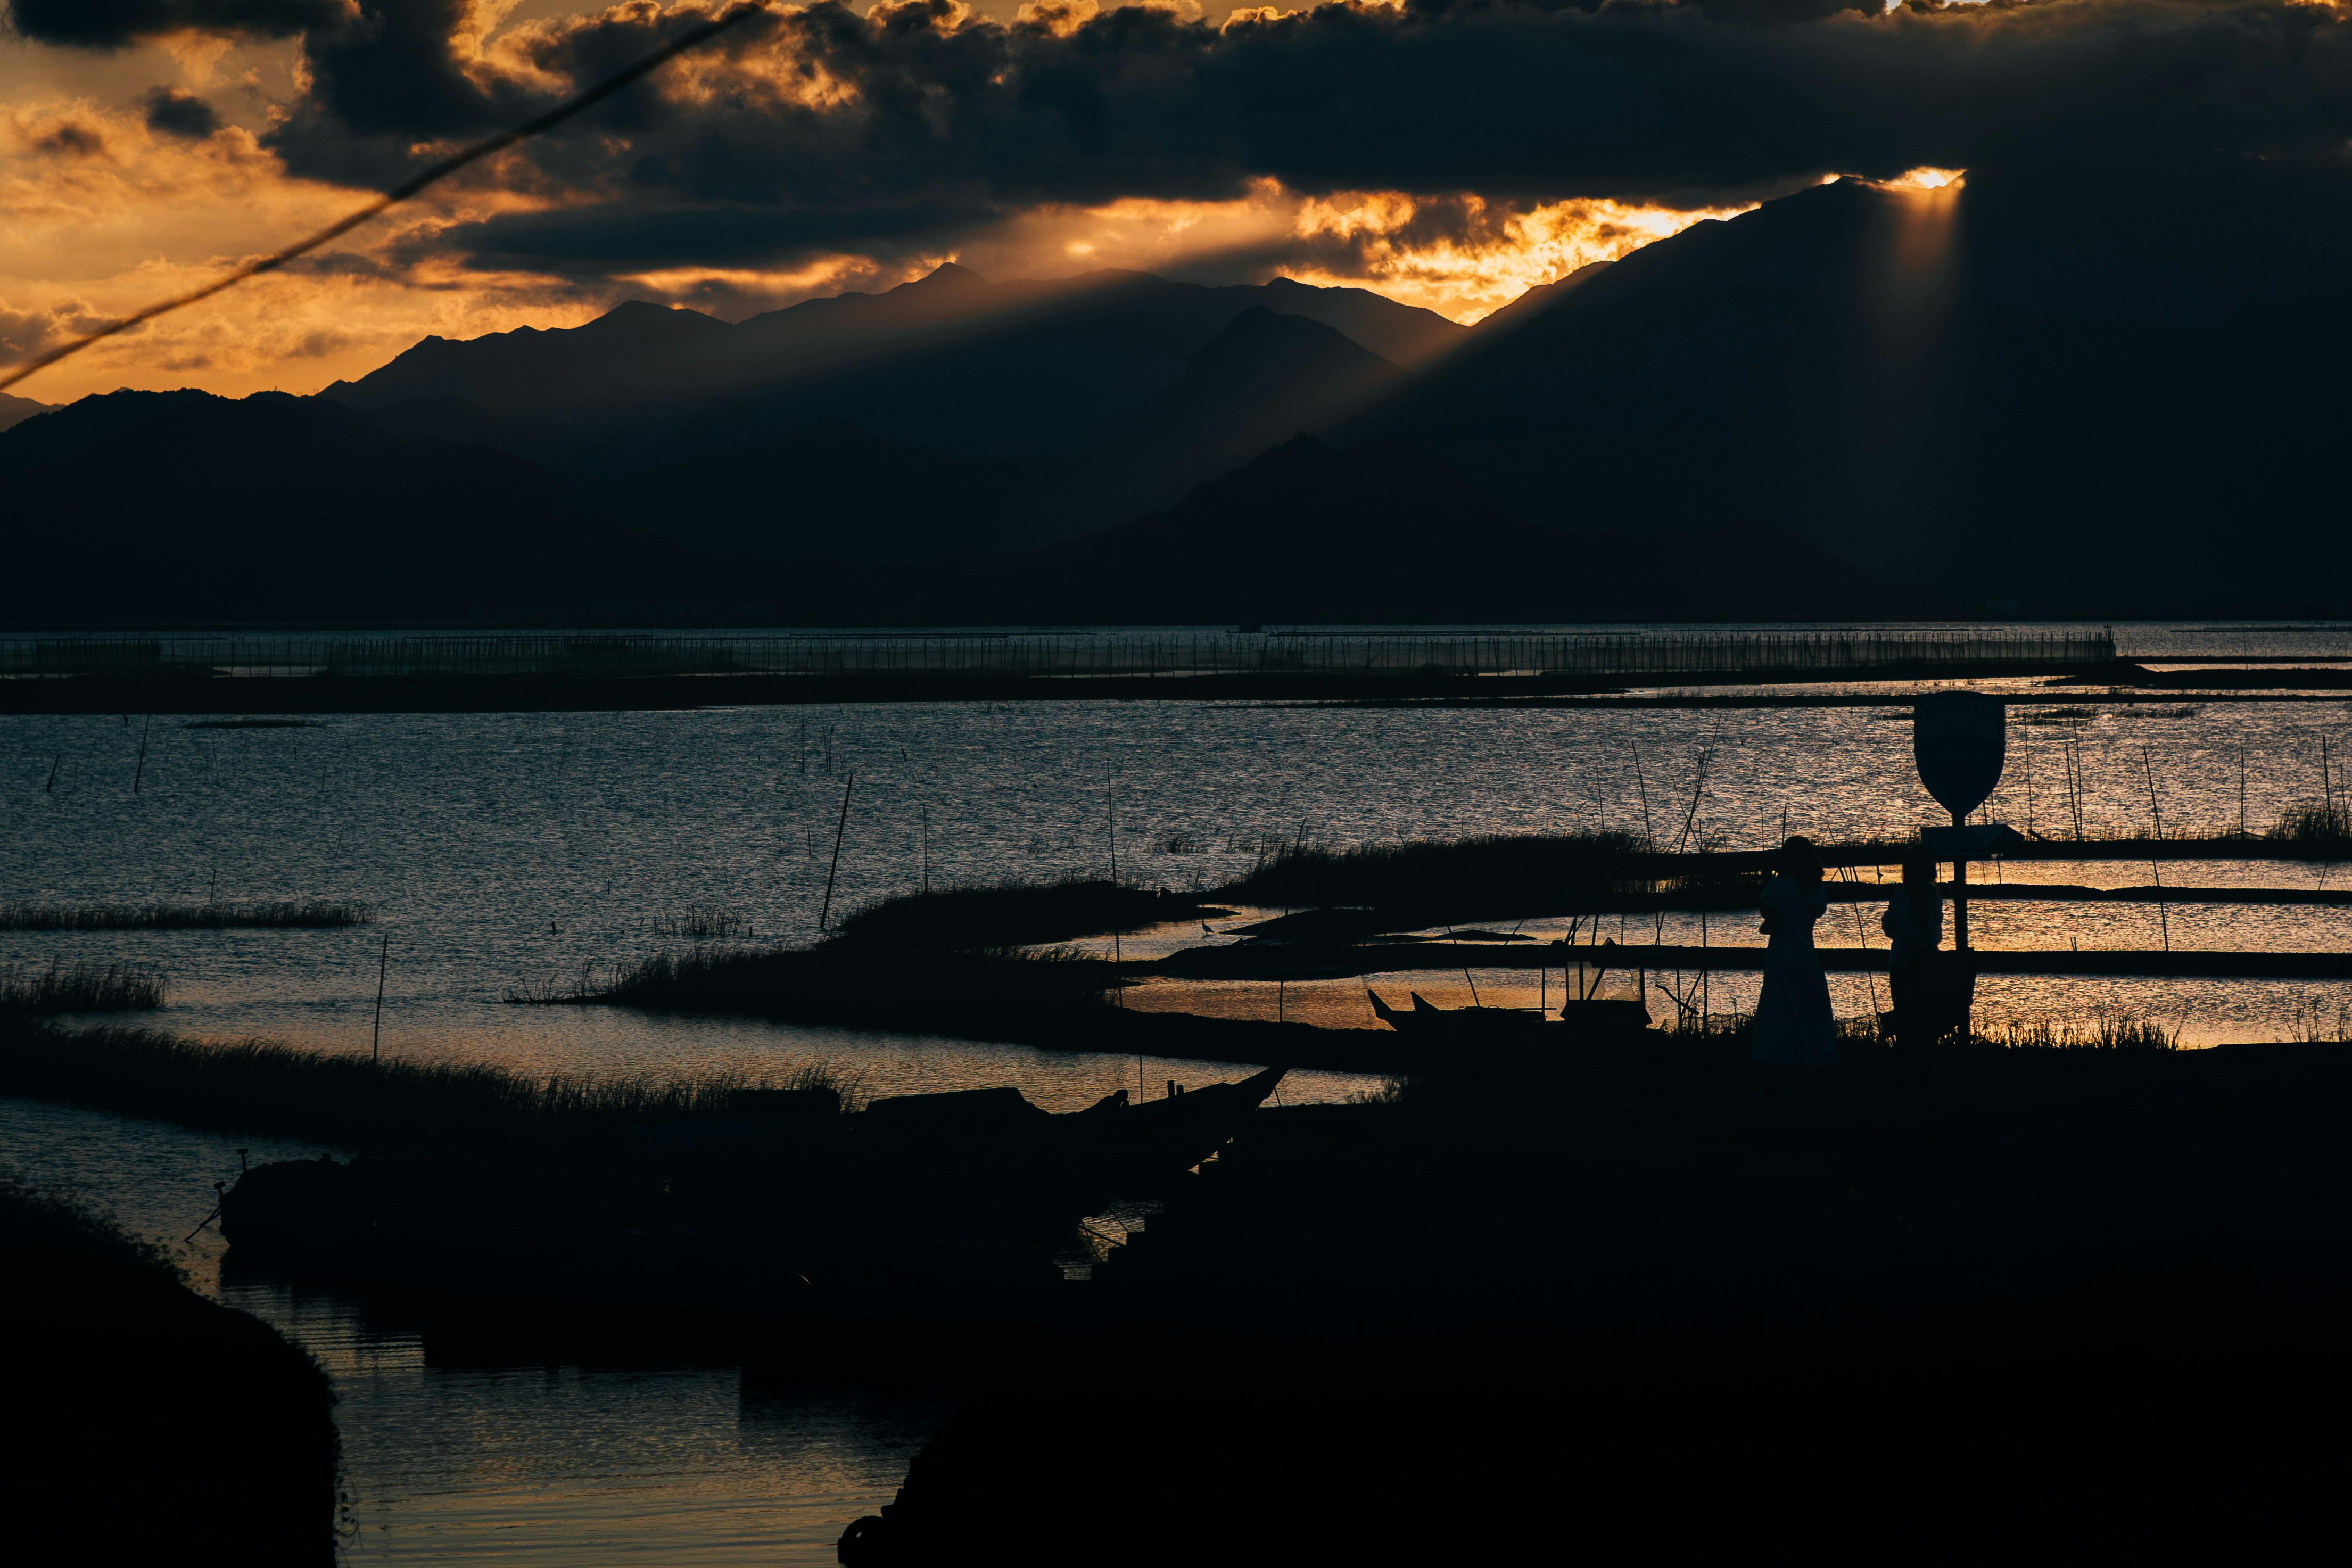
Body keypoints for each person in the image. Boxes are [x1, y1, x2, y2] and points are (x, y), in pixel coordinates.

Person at [1751, 836, 1837, 1069]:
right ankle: (1812, 1060)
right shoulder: (1817, 888)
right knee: (1809, 1008)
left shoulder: (1780, 886)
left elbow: (1766, 909)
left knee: (1780, 1009)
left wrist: (1771, 880)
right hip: (1807, 953)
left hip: (1781, 952)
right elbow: (1814, 911)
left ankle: (1781, 1063)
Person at [1881, 857, 1949, 1045]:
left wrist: (1897, 931)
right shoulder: (1934, 895)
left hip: (1902, 962)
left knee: (1904, 1014)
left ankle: (1907, 1058)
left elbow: (1889, 926)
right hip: (1929, 960)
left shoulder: (1902, 896)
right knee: (1925, 1014)